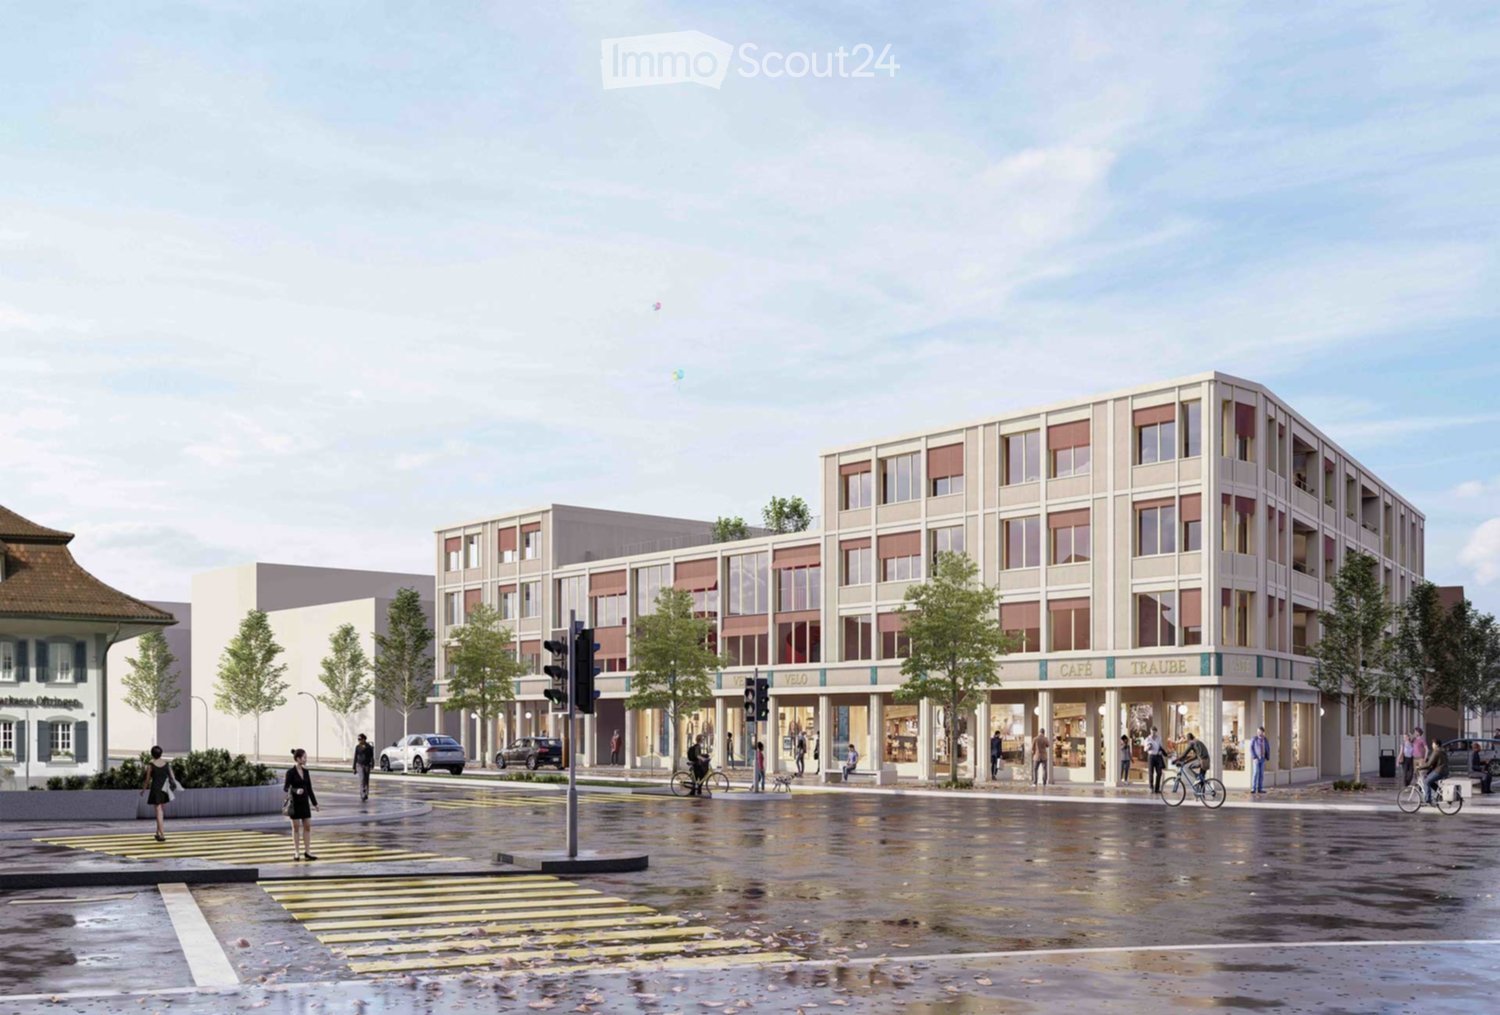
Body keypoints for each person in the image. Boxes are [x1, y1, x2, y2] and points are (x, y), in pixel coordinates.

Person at [284, 748, 320, 861]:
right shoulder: (290, 772)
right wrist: (295, 791)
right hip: (294, 804)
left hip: (304, 803)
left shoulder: (306, 772)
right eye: (304, 757)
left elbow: (309, 789)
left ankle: (308, 851)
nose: (305, 759)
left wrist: (315, 803)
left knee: (307, 826)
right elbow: (286, 788)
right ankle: (296, 852)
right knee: (295, 828)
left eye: (305, 757)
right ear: (298, 759)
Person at [139, 746, 178, 843]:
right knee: (160, 812)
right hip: (165, 790)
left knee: (158, 812)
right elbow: (172, 777)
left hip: (156, 789)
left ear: (152, 754)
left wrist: (143, 790)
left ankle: (162, 834)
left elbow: (147, 780)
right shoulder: (166, 764)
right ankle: (157, 832)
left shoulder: (151, 765)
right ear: (161, 753)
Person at [1418, 738, 1448, 805]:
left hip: (1439, 771)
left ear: (1436, 744)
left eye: (1433, 743)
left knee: (1426, 781)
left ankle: (1428, 800)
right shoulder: (1442, 751)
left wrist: (1420, 767)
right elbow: (1434, 763)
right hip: (1443, 771)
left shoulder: (1436, 752)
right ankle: (1439, 794)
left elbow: (1429, 764)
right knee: (1429, 781)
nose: (1432, 745)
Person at [353, 733, 375, 803]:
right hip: (359, 765)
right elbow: (355, 757)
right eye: (358, 739)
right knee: (362, 779)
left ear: (364, 739)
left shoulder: (369, 747)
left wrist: (372, 764)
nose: (359, 740)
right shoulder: (357, 747)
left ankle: (366, 794)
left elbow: (372, 757)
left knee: (366, 780)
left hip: (367, 765)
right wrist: (354, 767)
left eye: (360, 739)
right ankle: (362, 794)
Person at [1249, 726, 1271, 795]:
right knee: (1255, 773)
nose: (1258, 733)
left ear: (1263, 732)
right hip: (1256, 758)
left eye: (1260, 731)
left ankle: (1260, 788)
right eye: (1258, 731)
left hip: (1263, 758)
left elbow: (1268, 748)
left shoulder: (1265, 740)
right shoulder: (1254, 739)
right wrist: (1254, 757)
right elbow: (1251, 748)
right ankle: (1253, 788)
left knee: (1261, 774)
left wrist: (1267, 756)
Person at [1145, 726, 1165, 794]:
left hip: (1158, 756)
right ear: (1150, 731)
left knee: (1159, 773)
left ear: (1156, 732)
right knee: (1151, 772)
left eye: (1154, 732)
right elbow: (1145, 749)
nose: (1153, 733)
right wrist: (1148, 747)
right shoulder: (1148, 739)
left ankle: (1157, 788)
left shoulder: (1159, 738)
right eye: (1152, 732)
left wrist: (1161, 751)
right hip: (1151, 756)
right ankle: (1151, 787)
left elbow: (1161, 746)